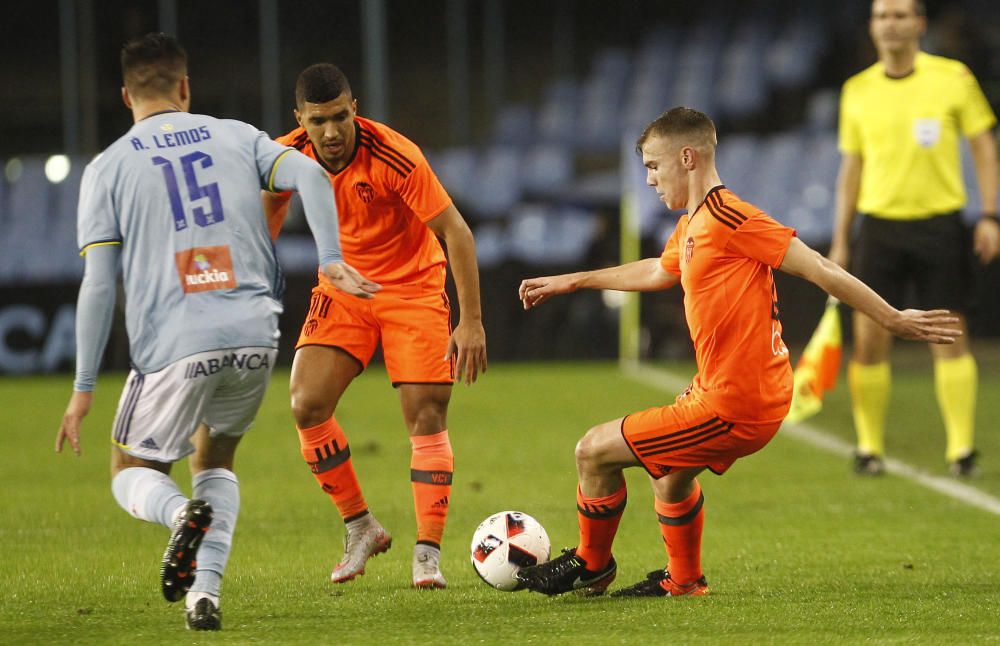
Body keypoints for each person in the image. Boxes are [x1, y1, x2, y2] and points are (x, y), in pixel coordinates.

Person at [513, 107, 960, 598]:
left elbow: (819, 269)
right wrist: (575, 279)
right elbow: (660, 271)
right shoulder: (694, 223)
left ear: (687, 157)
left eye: (653, 166)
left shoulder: (732, 218)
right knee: (671, 477)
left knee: (593, 451)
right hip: (733, 388)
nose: (649, 180)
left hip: (737, 401)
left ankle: (592, 565)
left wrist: (892, 318)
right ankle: (684, 581)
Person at [55, 34, 377, 630]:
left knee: (131, 472)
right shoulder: (236, 134)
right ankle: (205, 597)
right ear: (184, 87)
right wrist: (330, 257)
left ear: (126, 95)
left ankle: (179, 516)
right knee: (216, 459)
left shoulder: (107, 168)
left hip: (175, 341)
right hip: (255, 333)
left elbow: (98, 285)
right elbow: (310, 175)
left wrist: (82, 388)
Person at [262, 63, 487, 589]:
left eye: (340, 116)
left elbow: (456, 233)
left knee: (426, 413)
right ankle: (360, 526)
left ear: (354, 108)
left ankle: (427, 555)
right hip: (343, 289)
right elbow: (267, 209)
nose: (332, 132)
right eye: (318, 121)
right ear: (301, 119)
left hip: (411, 288)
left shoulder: (393, 154)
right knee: (305, 404)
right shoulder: (284, 154)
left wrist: (471, 321)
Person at [829, 0, 999, 477]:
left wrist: (989, 214)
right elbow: (852, 166)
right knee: (868, 340)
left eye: (902, 15)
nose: (892, 23)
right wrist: (841, 237)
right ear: (872, 26)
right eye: (883, 15)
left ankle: (961, 450)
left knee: (947, 337)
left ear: (920, 25)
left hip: (939, 225)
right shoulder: (856, 90)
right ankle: (868, 448)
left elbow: (984, 144)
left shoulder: (953, 78)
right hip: (879, 227)